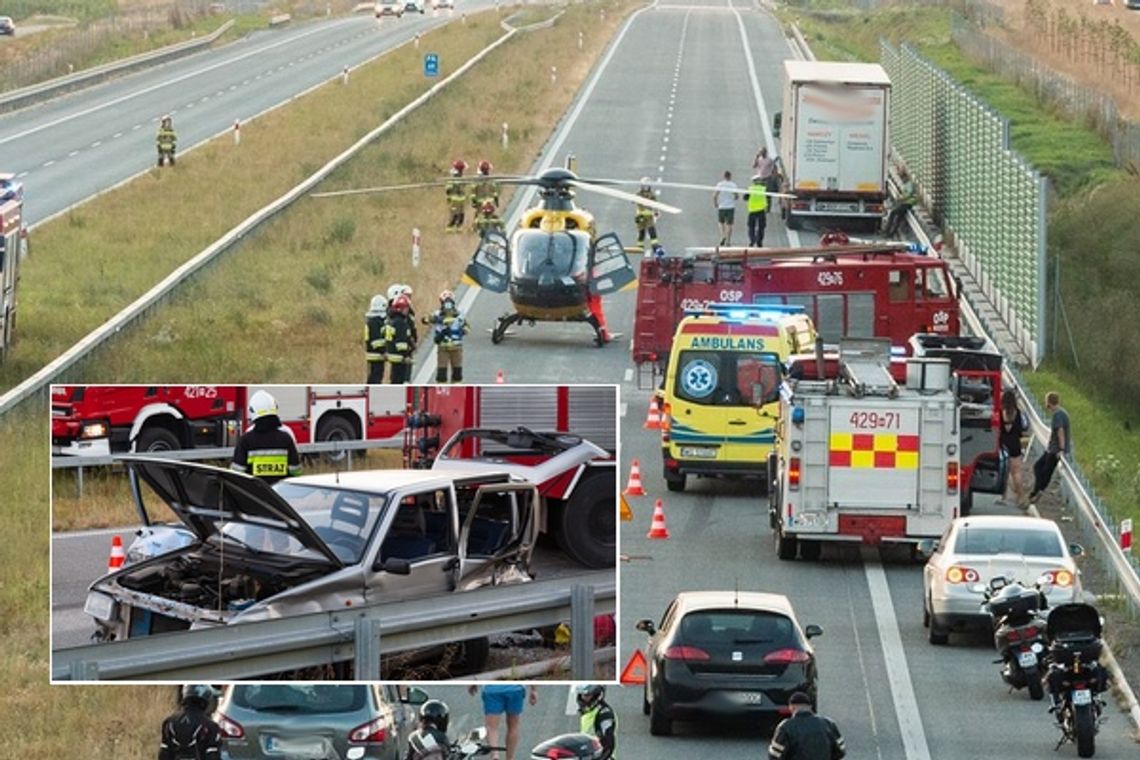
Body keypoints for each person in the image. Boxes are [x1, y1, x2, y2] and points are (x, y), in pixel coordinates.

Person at [231, 390, 301, 484]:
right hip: (280, 494)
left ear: (252, 411)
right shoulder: (286, 438)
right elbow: (295, 471)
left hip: (254, 494)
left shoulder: (246, 440)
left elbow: (237, 473)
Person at [467, 684, 538, 760]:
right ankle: (510, 758)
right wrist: (534, 689)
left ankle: (495, 755)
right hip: (515, 689)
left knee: (491, 727)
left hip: (492, 689)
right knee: (513, 726)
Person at [768, 691, 846, 760]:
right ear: (810, 707)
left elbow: (774, 756)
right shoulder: (828, 724)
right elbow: (841, 751)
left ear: (792, 707)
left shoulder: (785, 727)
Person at [158, 684, 223, 760]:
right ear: (205, 698)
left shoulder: (169, 722)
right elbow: (213, 756)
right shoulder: (210, 726)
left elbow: (164, 754)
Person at [1029, 391, 1071, 503]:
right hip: (1051, 448)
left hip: (1055, 450)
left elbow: (1060, 431)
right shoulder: (1062, 412)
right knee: (1038, 467)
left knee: (1046, 471)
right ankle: (1036, 490)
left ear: (1048, 402)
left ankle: (1037, 491)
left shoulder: (1057, 415)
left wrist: (1061, 449)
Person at [424, 289, 469, 382]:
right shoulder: (437, 314)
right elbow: (424, 320)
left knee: (457, 374)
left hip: (456, 347)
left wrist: (461, 330)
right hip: (443, 348)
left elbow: (467, 328)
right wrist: (438, 319)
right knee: (441, 374)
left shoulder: (459, 315)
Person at [999, 390, 1029, 508]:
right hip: (1015, 445)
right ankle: (1021, 497)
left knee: (1004, 472)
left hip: (1003, 445)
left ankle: (1004, 496)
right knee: (1016, 472)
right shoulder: (1018, 413)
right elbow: (1025, 427)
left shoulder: (1000, 412)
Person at [383, 293, 418, 383]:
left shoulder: (392, 320)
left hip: (393, 355)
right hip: (399, 357)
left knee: (394, 379)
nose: (407, 310)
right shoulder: (400, 323)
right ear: (400, 308)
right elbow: (401, 343)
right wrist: (407, 353)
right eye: (406, 308)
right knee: (399, 380)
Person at [575, 685, 616, 760]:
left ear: (596, 695)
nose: (583, 698)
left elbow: (609, 743)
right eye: (581, 695)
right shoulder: (589, 711)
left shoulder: (604, 714)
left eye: (587, 695)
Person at [884, 167, 916, 237]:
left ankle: (887, 231)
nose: (902, 180)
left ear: (905, 177)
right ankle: (891, 233)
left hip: (907, 204)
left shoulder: (909, 184)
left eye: (902, 178)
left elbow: (909, 195)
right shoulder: (906, 184)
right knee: (898, 219)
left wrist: (901, 198)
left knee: (893, 213)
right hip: (905, 203)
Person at [364, 294, 388, 384]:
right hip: (375, 355)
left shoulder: (375, 321)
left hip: (377, 355)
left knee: (377, 376)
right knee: (375, 377)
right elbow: (376, 342)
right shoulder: (374, 322)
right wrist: (384, 350)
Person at [713, 170, 738, 246]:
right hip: (730, 207)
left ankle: (722, 236)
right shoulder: (733, 185)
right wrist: (735, 198)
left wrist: (715, 203)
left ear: (724, 176)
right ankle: (728, 240)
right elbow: (736, 195)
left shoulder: (720, 184)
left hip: (722, 206)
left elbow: (715, 195)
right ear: (730, 176)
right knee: (729, 224)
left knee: (721, 222)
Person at [634, 178, 660, 251]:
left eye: (647, 186)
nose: (645, 188)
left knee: (652, 230)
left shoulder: (652, 194)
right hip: (640, 216)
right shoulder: (638, 194)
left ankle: (655, 245)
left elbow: (656, 204)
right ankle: (640, 246)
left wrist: (656, 211)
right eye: (644, 186)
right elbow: (632, 200)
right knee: (641, 232)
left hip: (649, 217)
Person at [745, 173, 769, 247]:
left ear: (754, 182)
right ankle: (759, 242)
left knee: (751, 226)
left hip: (752, 210)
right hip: (761, 210)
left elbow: (745, 198)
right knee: (761, 227)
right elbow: (768, 197)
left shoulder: (750, 189)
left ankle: (752, 240)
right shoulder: (764, 189)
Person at [446, 160, 469, 232]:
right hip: (456, 199)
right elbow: (448, 190)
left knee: (459, 214)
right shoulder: (453, 179)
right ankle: (452, 228)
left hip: (459, 199)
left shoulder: (458, 179)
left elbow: (448, 190)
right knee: (456, 214)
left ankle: (457, 227)